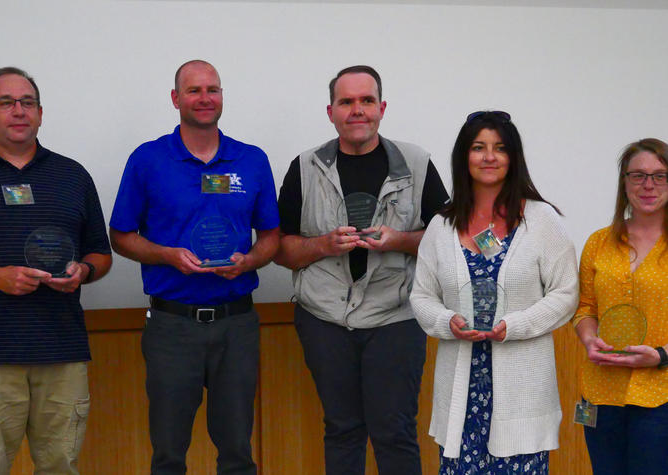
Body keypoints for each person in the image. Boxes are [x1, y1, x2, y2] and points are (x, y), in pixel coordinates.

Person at [274, 65, 449, 474]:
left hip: (396, 316)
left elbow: (446, 240)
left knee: (395, 431)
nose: (357, 110)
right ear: (331, 110)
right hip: (324, 319)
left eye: (366, 101)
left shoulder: (417, 163)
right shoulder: (305, 166)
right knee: (342, 429)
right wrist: (321, 245)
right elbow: (279, 249)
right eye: (347, 101)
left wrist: (400, 240)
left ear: (382, 108)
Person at [109, 60, 279, 475]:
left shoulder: (252, 160)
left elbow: (272, 237)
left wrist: (250, 260)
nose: (205, 98)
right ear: (176, 99)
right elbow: (120, 236)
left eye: (213, 90)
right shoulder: (148, 160)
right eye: (194, 90)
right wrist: (167, 255)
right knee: (168, 453)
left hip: (236, 323)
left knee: (238, 451)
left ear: (222, 97)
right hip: (172, 326)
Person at [0, 67, 112, 474]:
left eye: (27, 103)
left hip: (61, 352)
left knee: (61, 466)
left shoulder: (72, 176)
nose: (18, 111)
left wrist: (84, 272)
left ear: (40, 113)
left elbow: (101, 252)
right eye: (6, 102)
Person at [409, 111, 578, 474]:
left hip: (522, 393)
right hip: (461, 395)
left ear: (513, 157)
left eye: (500, 148)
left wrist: (515, 325)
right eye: (479, 147)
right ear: (463, 157)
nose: (489, 157)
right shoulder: (441, 225)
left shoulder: (542, 219)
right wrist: (446, 321)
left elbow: (566, 294)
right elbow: (421, 296)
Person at [572, 138, 668, 475]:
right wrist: (588, 339)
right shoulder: (599, 242)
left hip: (661, 393)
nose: (648, 185)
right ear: (624, 182)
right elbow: (585, 308)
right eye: (638, 175)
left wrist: (661, 355)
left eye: (660, 176)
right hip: (601, 392)